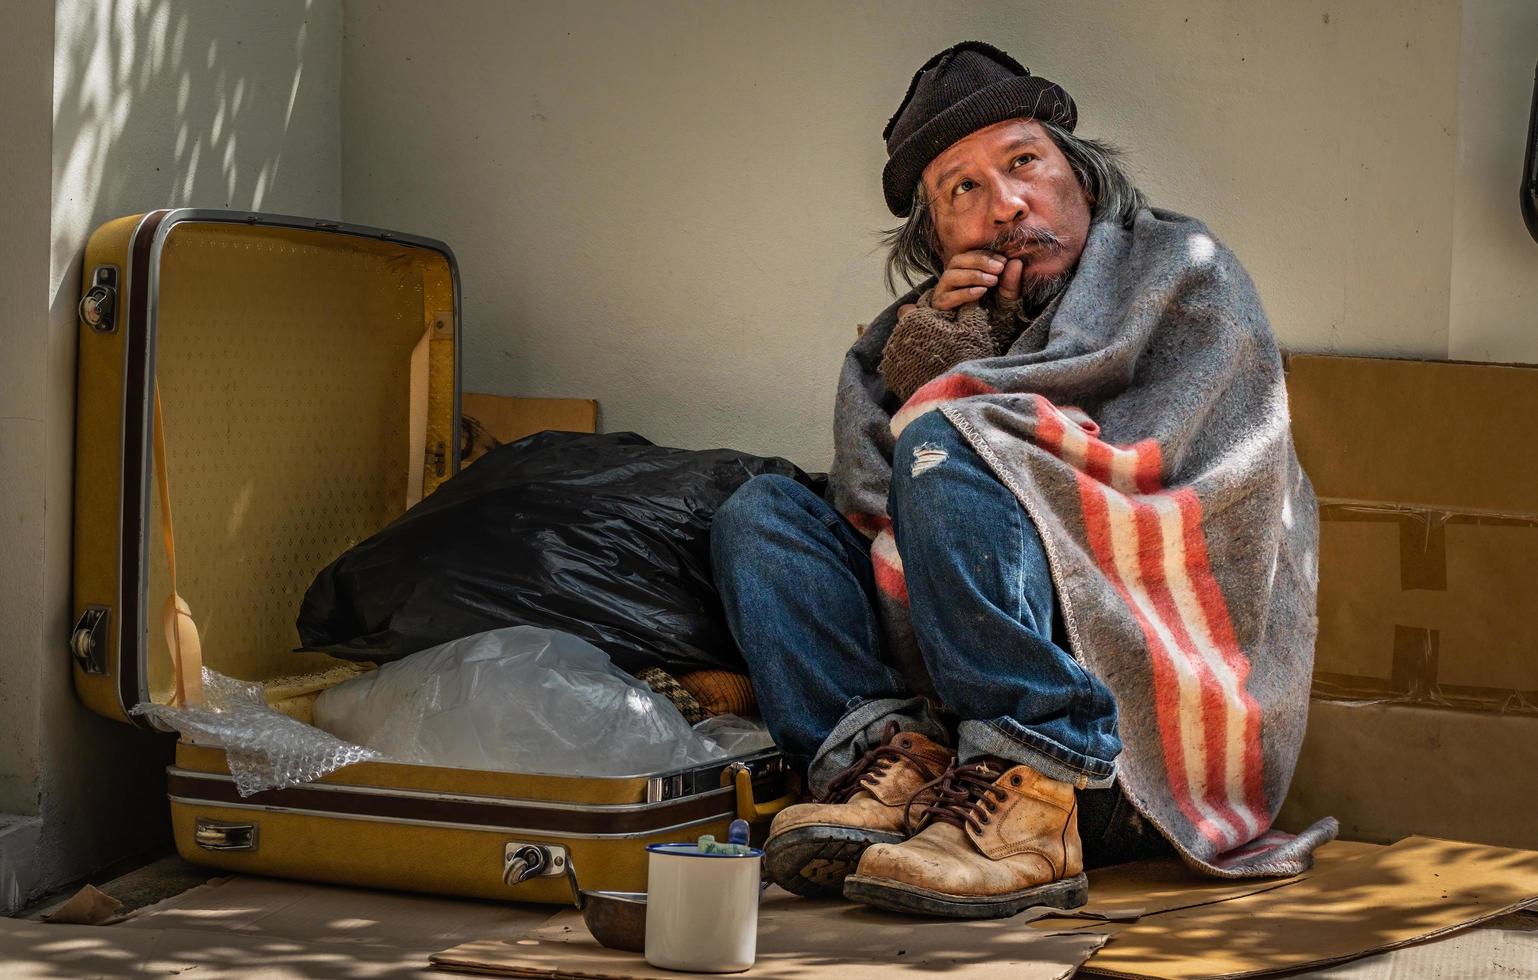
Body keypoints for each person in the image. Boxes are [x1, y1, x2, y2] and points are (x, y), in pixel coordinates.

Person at [710, 40, 1336, 920]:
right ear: (937, 236)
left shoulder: (1183, 275)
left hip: (1114, 758)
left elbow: (1192, 490)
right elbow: (869, 504)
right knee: (760, 512)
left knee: (948, 441)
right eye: (961, 188)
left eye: (1023, 162)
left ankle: (1033, 778)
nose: (1005, 205)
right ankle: (889, 762)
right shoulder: (922, 328)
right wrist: (943, 346)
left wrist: (968, 417)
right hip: (947, 756)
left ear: (1080, 177)